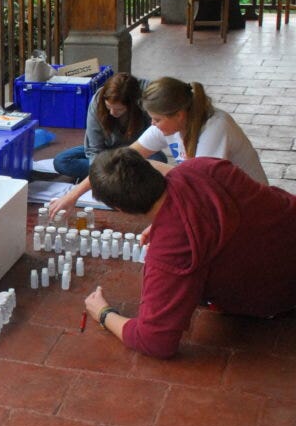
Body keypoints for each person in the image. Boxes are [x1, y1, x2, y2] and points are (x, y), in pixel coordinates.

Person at [83, 148, 296, 358]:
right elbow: (230, 206)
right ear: (148, 168)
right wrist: (168, 220)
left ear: (119, 208)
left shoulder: (170, 250)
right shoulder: (203, 166)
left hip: (281, 291)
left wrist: (103, 313)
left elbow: (154, 341)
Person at [48, 76, 267, 218]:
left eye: (157, 119)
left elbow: (198, 187)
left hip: (247, 207)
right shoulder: (167, 126)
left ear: (179, 115)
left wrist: (163, 223)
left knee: (154, 168)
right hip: (214, 200)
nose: (152, 125)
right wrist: (73, 195)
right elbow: (120, 158)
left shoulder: (215, 128)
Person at [52, 72, 157, 181]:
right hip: (107, 152)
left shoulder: (145, 102)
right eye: (108, 107)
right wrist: (99, 175)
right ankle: (122, 176)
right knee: (62, 161)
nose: (112, 112)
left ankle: (118, 175)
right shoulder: (97, 102)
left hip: (136, 152)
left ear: (132, 105)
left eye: (119, 109)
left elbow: (152, 140)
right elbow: (94, 149)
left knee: (159, 161)